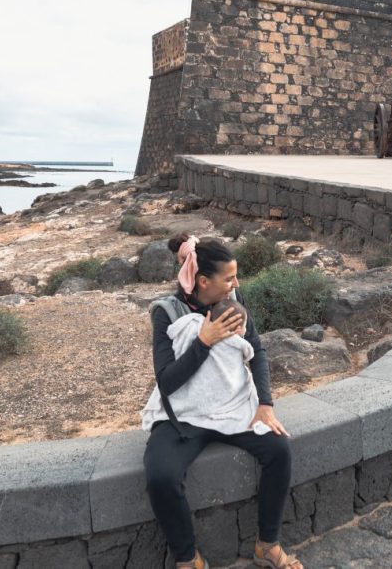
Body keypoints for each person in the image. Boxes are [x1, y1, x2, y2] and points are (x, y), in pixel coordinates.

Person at [142, 234, 303, 569]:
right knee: (160, 476)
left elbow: (256, 350)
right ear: (203, 281)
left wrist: (265, 405)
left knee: (279, 449)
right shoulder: (167, 313)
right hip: (184, 414)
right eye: (229, 278)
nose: (236, 284)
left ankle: (267, 545)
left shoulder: (233, 300)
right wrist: (204, 341)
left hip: (232, 404)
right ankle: (189, 559)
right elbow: (167, 382)